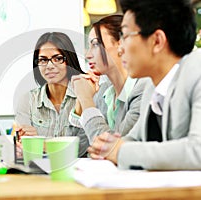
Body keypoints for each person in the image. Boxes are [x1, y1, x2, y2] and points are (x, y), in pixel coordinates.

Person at [88, 0, 201, 170]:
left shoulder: (197, 69)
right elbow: (135, 139)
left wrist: (120, 151)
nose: (121, 49)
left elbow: (197, 151)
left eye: (125, 36)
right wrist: (107, 147)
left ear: (157, 41)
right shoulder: (152, 84)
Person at [69, 15, 150, 153]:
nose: (88, 55)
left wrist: (86, 100)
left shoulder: (144, 89)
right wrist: (80, 103)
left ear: (122, 44)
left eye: (95, 44)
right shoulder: (102, 93)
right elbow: (76, 151)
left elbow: (111, 149)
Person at [15, 32, 87, 155]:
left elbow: (84, 146)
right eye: (43, 60)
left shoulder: (85, 96)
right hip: (38, 170)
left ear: (68, 60)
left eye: (57, 58)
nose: (49, 66)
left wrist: (40, 145)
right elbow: (23, 147)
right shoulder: (27, 100)